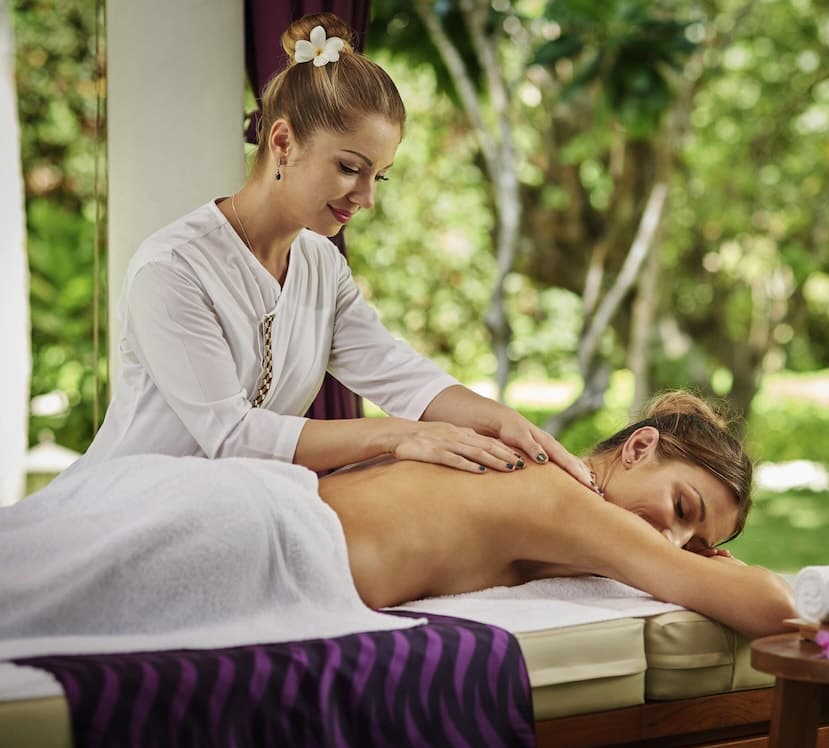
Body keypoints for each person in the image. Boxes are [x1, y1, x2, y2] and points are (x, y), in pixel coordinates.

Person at [63, 12, 593, 491]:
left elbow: (398, 374)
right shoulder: (173, 268)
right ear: (282, 142)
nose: (366, 198)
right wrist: (398, 436)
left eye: (379, 176)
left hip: (229, 513)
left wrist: (505, 421)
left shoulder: (320, 265)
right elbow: (231, 436)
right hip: (124, 509)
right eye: (349, 168)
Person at [321, 390, 796, 637]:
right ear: (639, 447)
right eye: (681, 508)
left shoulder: (550, 488)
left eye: (694, 544)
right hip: (288, 537)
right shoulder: (564, 496)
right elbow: (778, 608)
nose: (672, 540)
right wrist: (717, 570)